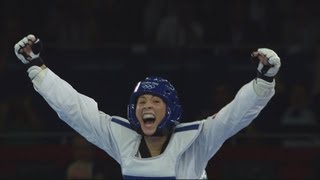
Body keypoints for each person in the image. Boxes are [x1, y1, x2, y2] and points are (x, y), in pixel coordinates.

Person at [14, 34, 281, 179]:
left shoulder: (196, 141)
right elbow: (75, 109)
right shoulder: (122, 140)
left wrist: (263, 81)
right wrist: (38, 68)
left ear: (171, 110)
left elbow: (233, 117)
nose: (146, 106)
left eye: (155, 101)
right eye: (141, 101)